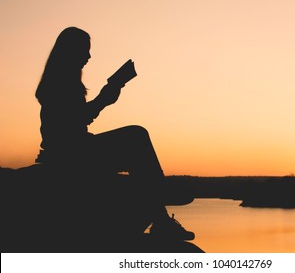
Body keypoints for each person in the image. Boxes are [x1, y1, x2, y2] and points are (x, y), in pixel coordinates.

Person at [35, 26, 194, 241]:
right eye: (85, 50)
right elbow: (73, 122)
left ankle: (158, 215)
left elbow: (76, 119)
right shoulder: (60, 82)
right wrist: (103, 99)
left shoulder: (62, 80)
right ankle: (159, 213)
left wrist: (103, 99)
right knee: (136, 136)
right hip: (70, 153)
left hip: (74, 148)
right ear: (71, 51)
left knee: (136, 139)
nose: (89, 56)